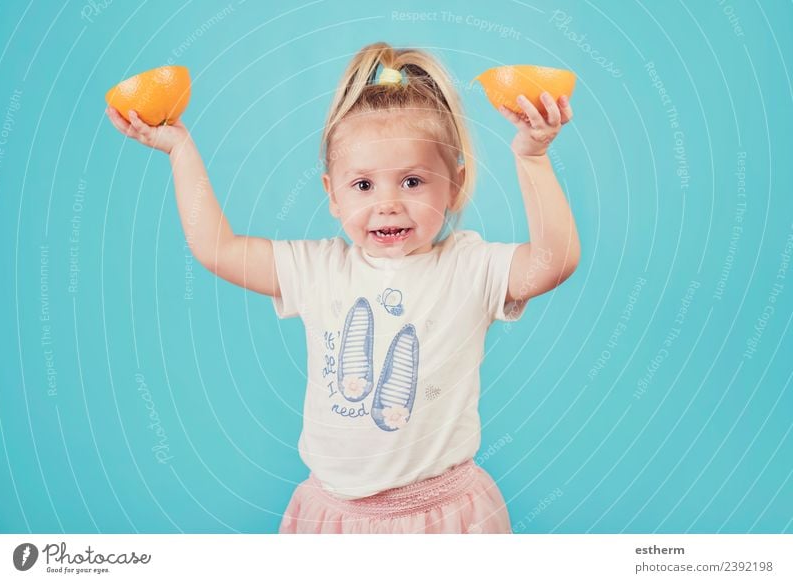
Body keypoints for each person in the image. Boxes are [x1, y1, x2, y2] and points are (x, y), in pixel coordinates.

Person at [105, 41, 579, 534]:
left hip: (444, 518)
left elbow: (556, 262)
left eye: (413, 181)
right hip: (334, 519)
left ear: (455, 185)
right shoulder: (317, 269)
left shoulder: (470, 267)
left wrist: (533, 158)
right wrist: (180, 149)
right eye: (363, 185)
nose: (388, 204)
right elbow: (217, 248)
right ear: (332, 194)